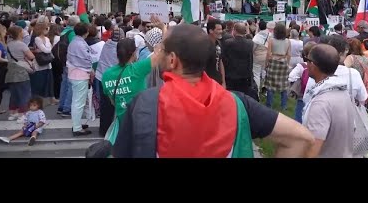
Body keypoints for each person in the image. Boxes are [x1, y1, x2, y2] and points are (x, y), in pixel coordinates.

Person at [112, 24, 315, 158]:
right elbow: (301, 138)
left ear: (173, 60)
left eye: (162, 50)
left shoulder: (144, 104)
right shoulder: (238, 104)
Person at [303, 44, 355, 158]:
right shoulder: (343, 92)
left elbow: (313, 147)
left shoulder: (321, 102)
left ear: (313, 65)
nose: (306, 63)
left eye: (307, 59)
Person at [303, 34, 368, 108]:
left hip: (321, 113)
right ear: (342, 53)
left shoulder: (317, 71)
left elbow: (307, 98)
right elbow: (362, 98)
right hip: (348, 114)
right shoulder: (353, 74)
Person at [101, 38, 151, 126]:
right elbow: (161, 54)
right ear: (133, 53)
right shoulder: (138, 69)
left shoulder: (106, 75)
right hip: (140, 121)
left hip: (122, 123)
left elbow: (113, 101)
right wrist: (163, 28)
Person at [95, 27, 124, 136]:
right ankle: (112, 130)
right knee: (113, 106)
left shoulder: (106, 44)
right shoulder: (119, 48)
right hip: (113, 81)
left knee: (104, 106)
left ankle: (103, 129)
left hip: (101, 76)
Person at [66, 23, 93, 136]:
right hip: (80, 74)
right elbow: (85, 59)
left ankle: (77, 124)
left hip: (75, 73)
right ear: (86, 32)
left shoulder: (75, 41)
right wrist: (90, 70)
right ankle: (77, 128)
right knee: (78, 102)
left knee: (78, 101)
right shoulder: (80, 44)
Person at [5, 26, 34, 122]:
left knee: (14, 94)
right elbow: (31, 56)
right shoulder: (21, 44)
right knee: (24, 93)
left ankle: (13, 113)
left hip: (10, 71)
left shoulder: (8, 44)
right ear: (18, 33)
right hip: (21, 71)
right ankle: (23, 114)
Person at [222, 23, 255, 97]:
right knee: (243, 96)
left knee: (232, 96)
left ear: (234, 30)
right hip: (245, 75)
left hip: (231, 75)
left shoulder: (228, 43)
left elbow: (223, 59)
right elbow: (250, 60)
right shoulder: (250, 43)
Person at [263, 23, 291, 110]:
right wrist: (287, 64)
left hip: (273, 61)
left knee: (270, 85)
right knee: (284, 85)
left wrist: (266, 63)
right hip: (283, 62)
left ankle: (269, 105)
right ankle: (284, 105)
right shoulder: (288, 41)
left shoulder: (271, 40)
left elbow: (268, 53)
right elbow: (289, 54)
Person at [57, 15, 80, 117]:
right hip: (70, 62)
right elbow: (74, 47)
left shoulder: (64, 31)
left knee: (64, 84)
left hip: (63, 60)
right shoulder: (72, 33)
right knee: (71, 85)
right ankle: (67, 108)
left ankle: (61, 106)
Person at [288, 42, 315, 123]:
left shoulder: (302, 66)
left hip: (302, 95)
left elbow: (291, 76)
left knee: (299, 115)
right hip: (314, 95)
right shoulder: (319, 65)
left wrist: (299, 81)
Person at [29, 22, 55, 105]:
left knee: (49, 82)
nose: (47, 30)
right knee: (39, 83)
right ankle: (37, 101)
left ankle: (49, 98)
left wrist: (44, 49)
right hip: (40, 63)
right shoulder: (37, 39)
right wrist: (45, 49)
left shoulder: (47, 39)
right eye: (46, 28)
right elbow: (46, 49)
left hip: (48, 64)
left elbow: (49, 48)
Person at [204, 19, 225, 86]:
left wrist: (223, 81)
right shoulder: (203, 45)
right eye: (218, 29)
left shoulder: (219, 43)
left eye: (221, 29)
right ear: (211, 30)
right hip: (207, 82)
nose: (221, 31)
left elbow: (220, 62)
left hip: (218, 81)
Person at [252, 20, 270, 92]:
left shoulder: (256, 37)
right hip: (267, 56)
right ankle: (264, 88)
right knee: (264, 72)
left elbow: (253, 48)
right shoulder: (270, 35)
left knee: (256, 74)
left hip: (257, 57)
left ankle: (257, 91)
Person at [48, 23, 62, 102]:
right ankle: (57, 94)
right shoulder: (58, 38)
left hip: (49, 59)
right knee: (58, 78)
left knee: (53, 77)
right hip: (57, 59)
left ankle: (52, 94)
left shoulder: (48, 38)